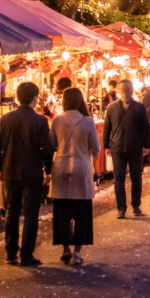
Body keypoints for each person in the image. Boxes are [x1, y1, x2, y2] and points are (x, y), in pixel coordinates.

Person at [0, 81, 54, 266]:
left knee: (11, 212)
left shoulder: (5, 119)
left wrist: (0, 166)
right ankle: (26, 254)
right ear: (35, 98)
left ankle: (11, 253)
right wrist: (48, 169)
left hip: (10, 172)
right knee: (30, 214)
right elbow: (46, 148)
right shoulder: (40, 120)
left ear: (18, 98)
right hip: (32, 172)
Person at [49, 88, 100, 265]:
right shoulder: (87, 121)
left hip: (61, 168)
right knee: (82, 212)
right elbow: (96, 147)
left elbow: (51, 145)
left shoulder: (57, 120)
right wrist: (91, 162)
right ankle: (77, 252)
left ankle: (65, 249)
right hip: (82, 169)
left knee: (62, 212)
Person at [102, 80, 150, 218]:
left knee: (126, 178)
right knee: (129, 178)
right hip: (126, 148)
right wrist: (106, 145)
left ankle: (128, 207)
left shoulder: (136, 107)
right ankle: (128, 207)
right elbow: (107, 128)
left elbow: (145, 128)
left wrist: (146, 145)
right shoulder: (116, 107)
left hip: (128, 147)